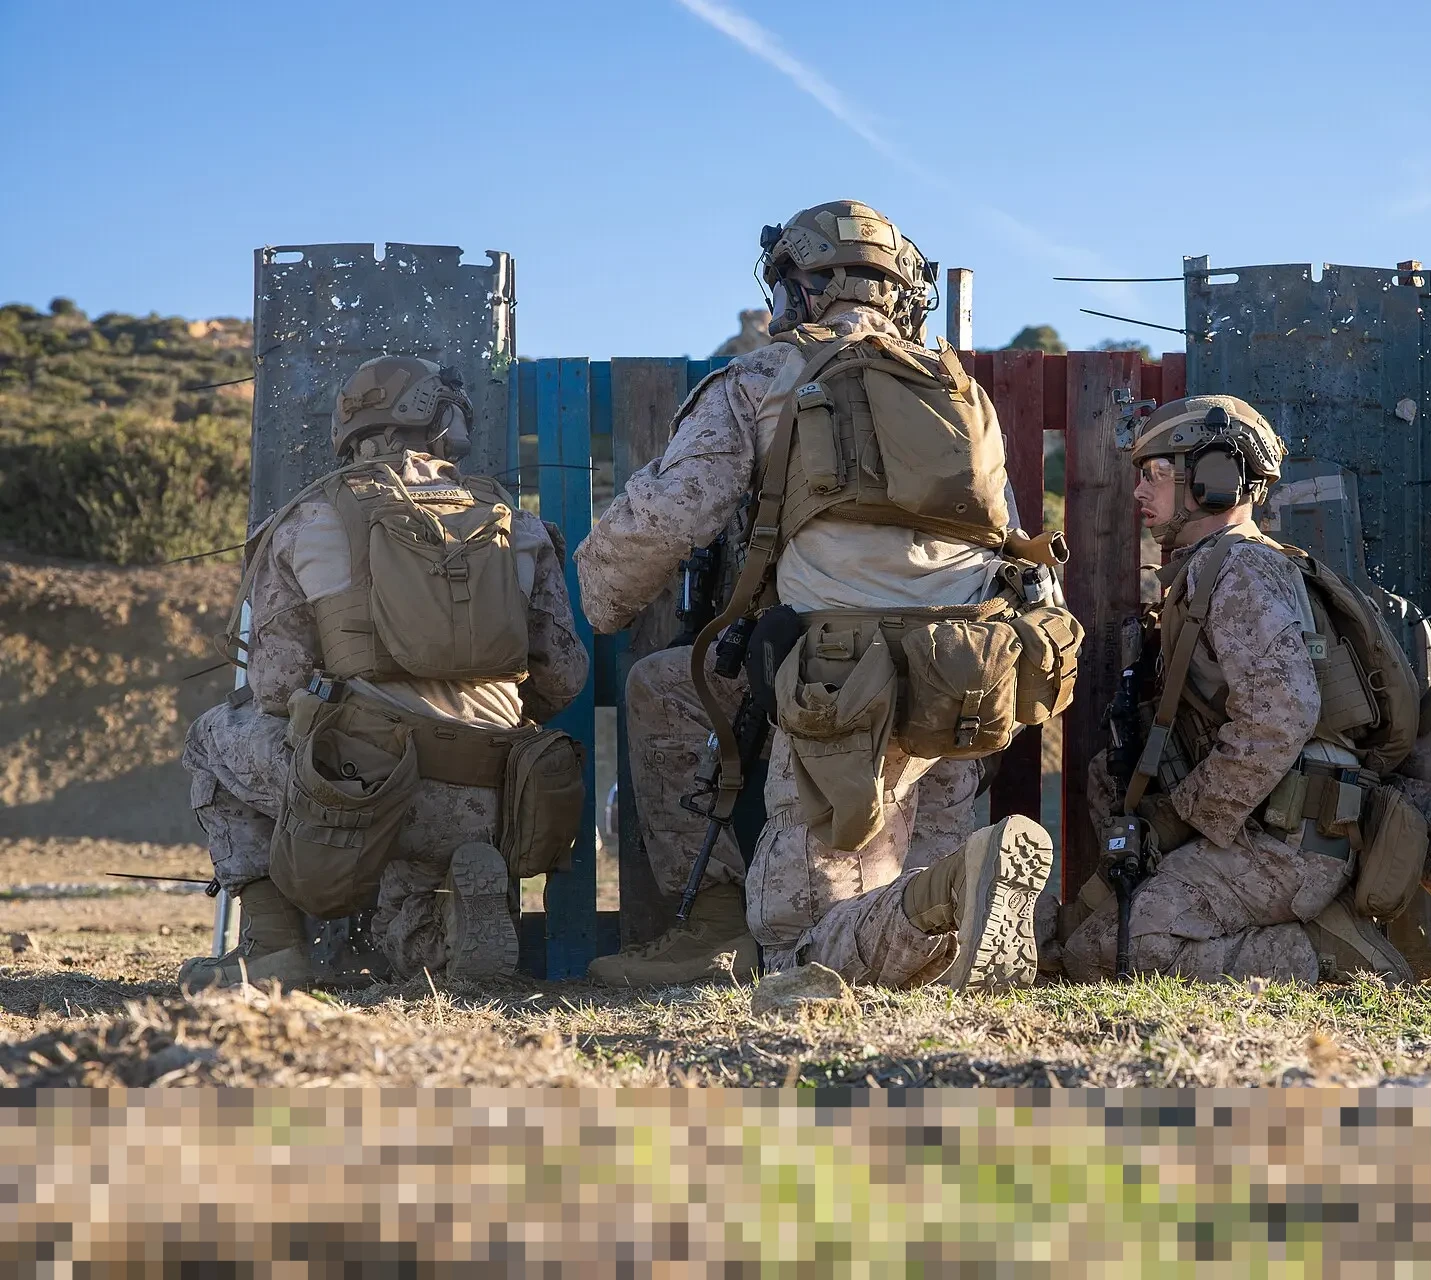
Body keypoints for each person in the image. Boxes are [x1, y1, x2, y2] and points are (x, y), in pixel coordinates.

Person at [576, 200, 1075, 993]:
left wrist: (599, 594)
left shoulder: (763, 377)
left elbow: (668, 516)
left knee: (796, 949)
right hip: (966, 680)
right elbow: (1007, 541)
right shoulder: (958, 394)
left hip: (838, 688)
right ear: (900, 294)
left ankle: (740, 922)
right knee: (901, 929)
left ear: (798, 291)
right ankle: (954, 898)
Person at [1053, 395, 1431, 988]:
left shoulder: (1241, 572)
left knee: (1109, 957)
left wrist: (1184, 818)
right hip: (1269, 828)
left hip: (1285, 840)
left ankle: (1332, 957)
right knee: (1088, 943)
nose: (1139, 492)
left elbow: (1280, 715)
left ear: (1214, 481)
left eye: (1156, 474)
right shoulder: (1220, 569)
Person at [179, 356, 589, 990]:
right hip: (496, 796)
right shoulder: (520, 524)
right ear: (447, 425)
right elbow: (561, 676)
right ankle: (451, 909)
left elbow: (275, 687)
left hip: (367, 790)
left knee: (211, 737)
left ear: (351, 430)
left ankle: (273, 948)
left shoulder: (307, 521)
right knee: (407, 937)